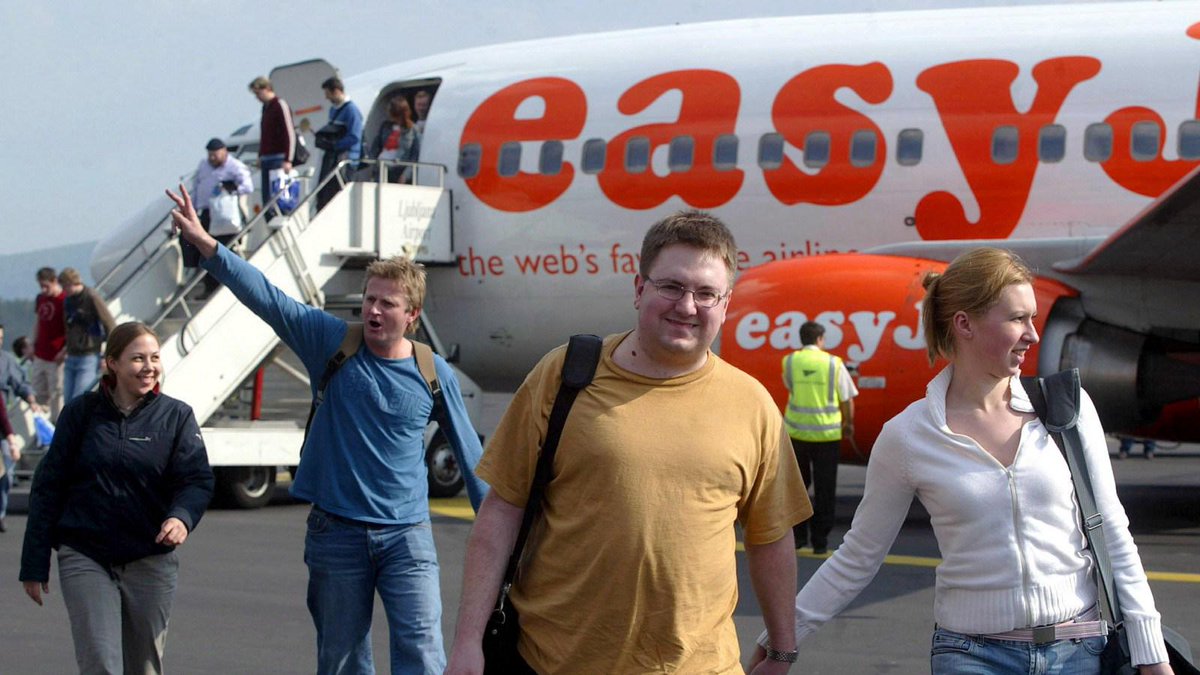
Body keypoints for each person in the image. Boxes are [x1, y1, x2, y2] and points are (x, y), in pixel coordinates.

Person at [749, 248, 1175, 674]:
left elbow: (1113, 531)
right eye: (1017, 319)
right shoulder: (909, 435)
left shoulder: (1067, 408)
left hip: (1079, 651)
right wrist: (781, 642)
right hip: (971, 657)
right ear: (964, 324)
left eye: (1032, 318)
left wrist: (1151, 651)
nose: (1033, 334)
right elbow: (857, 557)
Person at [446, 210, 811, 675]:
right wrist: (468, 641)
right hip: (553, 662)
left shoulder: (752, 404)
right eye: (671, 286)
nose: (688, 306)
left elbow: (771, 538)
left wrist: (782, 650)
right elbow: (502, 510)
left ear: (725, 305)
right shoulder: (564, 375)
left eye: (706, 293)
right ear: (640, 289)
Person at [166, 183, 488, 674]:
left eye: (387, 304)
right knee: (342, 661)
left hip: (407, 536)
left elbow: (471, 457)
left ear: (412, 316)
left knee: (423, 653)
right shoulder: (331, 342)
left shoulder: (432, 371)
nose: (373, 310)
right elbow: (268, 298)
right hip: (336, 533)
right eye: (370, 299)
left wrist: (501, 539)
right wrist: (209, 247)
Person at [19, 321, 214, 675]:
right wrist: (34, 562)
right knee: (101, 664)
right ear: (112, 363)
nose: (149, 367)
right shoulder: (80, 414)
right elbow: (48, 486)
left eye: (155, 357)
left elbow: (196, 479)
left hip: (150, 557)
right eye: (138, 358)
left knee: (144, 666)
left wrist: (181, 517)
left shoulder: (176, 416)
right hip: (86, 555)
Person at [781, 320, 858, 554]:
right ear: (819, 339)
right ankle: (820, 541)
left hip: (796, 434)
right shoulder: (834, 363)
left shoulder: (790, 361)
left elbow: (791, 387)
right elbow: (847, 399)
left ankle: (798, 537)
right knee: (825, 489)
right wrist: (848, 424)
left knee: (797, 488)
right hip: (827, 436)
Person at [188, 137, 255, 296]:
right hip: (207, 213)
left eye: (215, 155)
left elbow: (248, 186)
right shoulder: (203, 166)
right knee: (205, 251)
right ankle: (210, 287)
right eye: (210, 155)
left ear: (224, 152)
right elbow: (196, 188)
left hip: (226, 215)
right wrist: (193, 209)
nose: (212, 158)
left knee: (225, 249)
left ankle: (232, 283)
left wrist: (231, 188)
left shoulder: (235, 166)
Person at [59, 267, 117, 403]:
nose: (64, 291)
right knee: (68, 399)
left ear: (71, 283)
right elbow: (67, 326)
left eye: (65, 286)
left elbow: (109, 323)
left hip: (88, 354)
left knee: (79, 397)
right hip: (72, 353)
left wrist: (108, 354)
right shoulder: (68, 301)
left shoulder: (91, 297)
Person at [248, 76, 296, 218]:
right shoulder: (265, 108)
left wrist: (288, 159)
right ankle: (270, 218)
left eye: (258, 93)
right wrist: (260, 155)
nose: (257, 97)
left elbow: (289, 133)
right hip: (266, 158)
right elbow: (264, 135)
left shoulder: (279, 105)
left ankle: (281, 216)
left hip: (278, 158)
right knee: (267, 197)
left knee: (278, 194)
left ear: (267, 89)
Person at [316, 76, 364, 210]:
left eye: (328, 94)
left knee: (339, 193)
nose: (326, 98)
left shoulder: (352, 111)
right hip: (333, 158)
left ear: (336, 91)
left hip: (347, 159)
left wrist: (336, 145)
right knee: (325, 193)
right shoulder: (333, 110)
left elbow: (355, 136)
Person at [31, 267, 66, 422]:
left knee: (56, 391)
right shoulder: (41, 299)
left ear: (54, 281)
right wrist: (33, 343)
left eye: (46, 286)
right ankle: (42, 422)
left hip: (56, 354)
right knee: (38, 391)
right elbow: (38, 321)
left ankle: (57, 423)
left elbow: (69, 329)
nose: (44, 290)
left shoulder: (64, 300)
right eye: (41, 286)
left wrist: (64, 350)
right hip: (40, 352)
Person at [368, 96, 420, 184]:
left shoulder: (413, 130)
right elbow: (375, 147)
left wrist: (406, 175)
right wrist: (373, 165)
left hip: (399, 171)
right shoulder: (385, 126)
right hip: (381, 169)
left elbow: (415, 155)